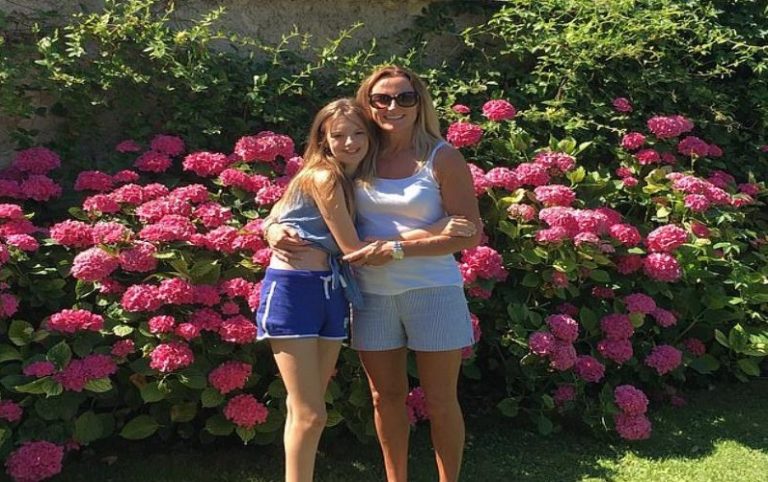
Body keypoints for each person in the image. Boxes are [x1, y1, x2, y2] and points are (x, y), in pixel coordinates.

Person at [265, 66, 482, 482]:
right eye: (382, 99)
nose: (393, 106)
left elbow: (470, 233)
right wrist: (271, 228)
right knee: (385, 398)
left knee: (440, 401)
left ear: (419, 103)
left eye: (404, 97)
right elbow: (298, 197)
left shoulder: (442, 156)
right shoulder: (358, 153)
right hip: (371, 293)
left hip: (433, 289)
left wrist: (401, 248)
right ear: (368, 104)